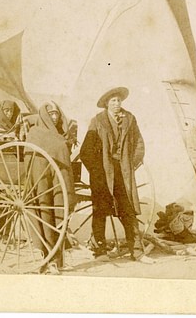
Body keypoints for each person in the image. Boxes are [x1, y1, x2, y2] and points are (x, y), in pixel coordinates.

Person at [79, 87, 148, 262]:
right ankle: (100, 251)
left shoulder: (130, 120)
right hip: (102, 174)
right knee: (100, 210)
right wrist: (98, 172)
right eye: (113, 101)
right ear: (106, 104)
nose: (117, 104)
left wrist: (130, 164)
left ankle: (137, 251)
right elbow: (86, 151)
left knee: (128, 210)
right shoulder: (97, 121)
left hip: (123, 174)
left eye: (119, 100)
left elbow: (139, 144)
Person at [25, 102, 77, 274]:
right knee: (46, 216)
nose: (54, 117)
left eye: (56, 114)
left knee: (59, 216)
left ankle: (58, 260)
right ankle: (48, 260)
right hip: (42, 183)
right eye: (51, 114)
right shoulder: (35, 133)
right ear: (44, 115)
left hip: (57, 183)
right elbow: (31, 162)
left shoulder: (61, 134)